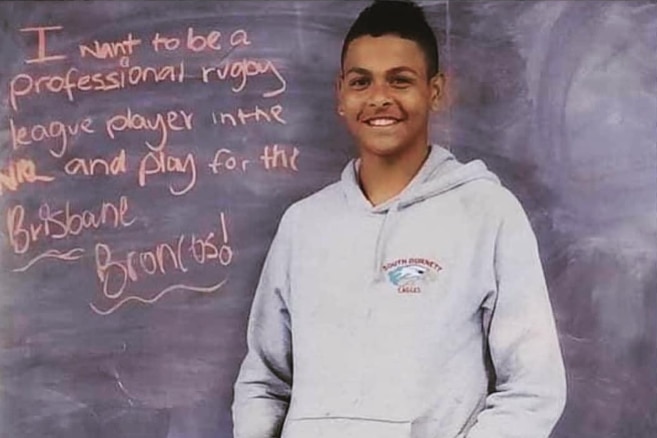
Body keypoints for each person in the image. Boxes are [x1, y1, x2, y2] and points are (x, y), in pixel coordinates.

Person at [232, 1, 567, 437]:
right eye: (361, 82)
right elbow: (264, 380)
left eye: (400, 80)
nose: (379, 98)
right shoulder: (302, 225)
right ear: (341, 94)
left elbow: (533, 388)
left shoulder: (488, 213)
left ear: (435, 90)